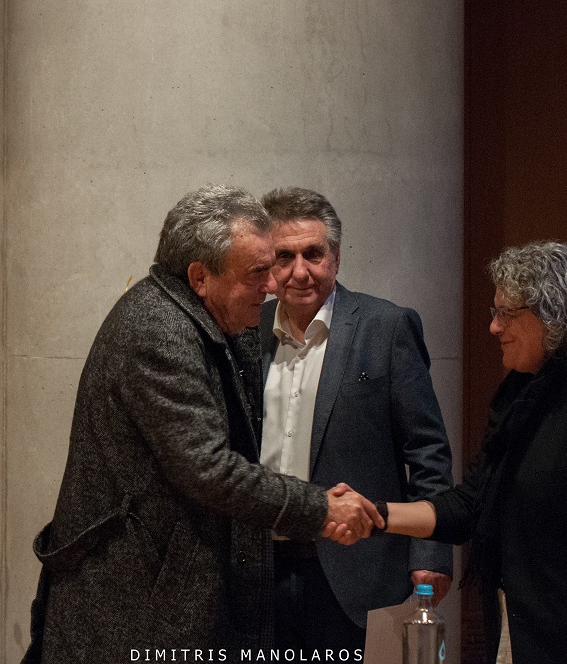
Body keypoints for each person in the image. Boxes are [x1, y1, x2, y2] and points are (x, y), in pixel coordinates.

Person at [23, 184, 382, 664]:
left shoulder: (216, 319)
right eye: (258, 272)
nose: (271, 286)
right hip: (135, 605)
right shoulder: (157, 331)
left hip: (171, 597)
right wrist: (320, 507)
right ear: (200, 277)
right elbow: (209, 469)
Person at [374, 241, 567, 663]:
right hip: (523, 633)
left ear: (554, 317)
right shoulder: (520, 393)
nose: (493, 327)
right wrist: (377, 515)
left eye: (506, 313)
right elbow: (470, 505)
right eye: (494, 312)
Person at [258, 187, 453, 651]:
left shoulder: (386, 327)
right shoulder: (249, 330)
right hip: (261, 568)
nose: (300, 271)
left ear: (336, 258)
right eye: (284, 257)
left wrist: (432, 551)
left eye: (313, 254)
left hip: (353, 571)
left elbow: (427, 450)